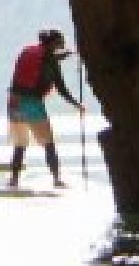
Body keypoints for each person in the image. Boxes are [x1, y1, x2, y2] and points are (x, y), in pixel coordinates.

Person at [5, 28, 83, 189]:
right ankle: (56, 179)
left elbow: (43, 62)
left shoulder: (28, 51)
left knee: (20, 144)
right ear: (53, 43)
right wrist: (77, 104)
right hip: (33, 104)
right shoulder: (51, 61)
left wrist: (68, 54)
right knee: (49, 143)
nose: (61, 46)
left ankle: (14, 179)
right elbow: (61, 88)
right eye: (60, 43)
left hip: (14, 102)